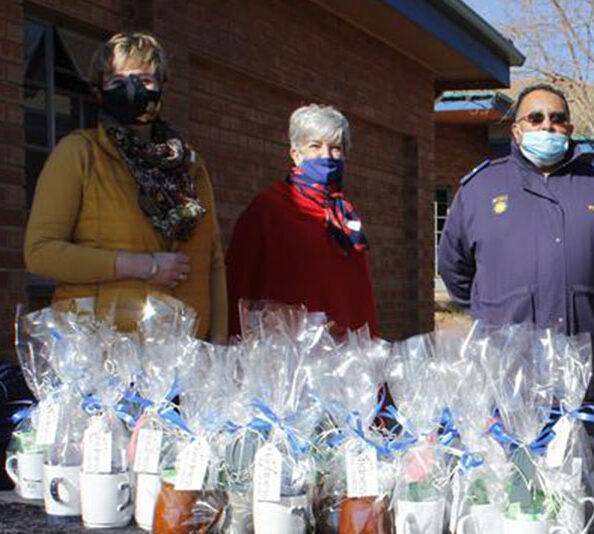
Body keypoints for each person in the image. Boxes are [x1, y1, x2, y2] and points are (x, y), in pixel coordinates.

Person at [438, 83, 594, 457]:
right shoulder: (479, 188)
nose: (546, 126)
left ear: (569, 128)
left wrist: (583, 295)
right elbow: (456, 271)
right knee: (508, 495)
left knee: (576, 495)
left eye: (557, 118)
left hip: (581, 377)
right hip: (504, 378)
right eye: (535, 118)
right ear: (517, 130)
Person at [24, 32, 226, 341]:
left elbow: (212, 262)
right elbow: (41, 253)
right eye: (118, 80)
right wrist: (140, 266)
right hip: (103, 352)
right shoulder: (80, 152)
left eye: (144, 79)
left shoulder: (189, 166)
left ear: (162, 86)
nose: (132, 89)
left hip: (182, 353)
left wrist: (218, 347)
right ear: (99, 89)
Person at [226, 104, 377, 337]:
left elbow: (359, 293)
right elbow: (240, 282)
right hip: (287, 350)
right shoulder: (269, 208)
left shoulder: (345, 214)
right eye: (315, 146)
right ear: (296, 154)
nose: (326, 156)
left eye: (335, 148)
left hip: (343, 353)